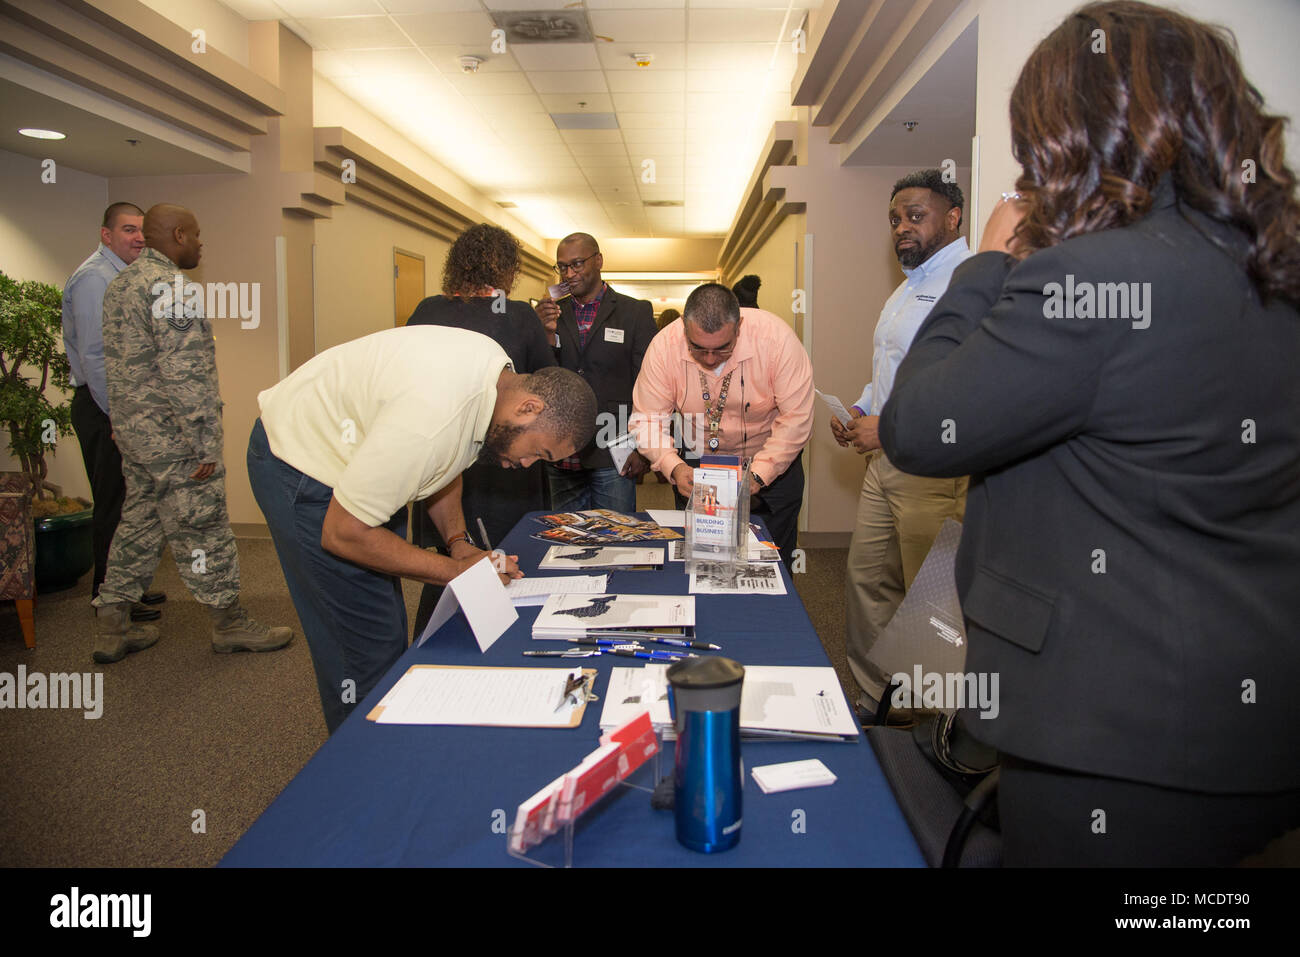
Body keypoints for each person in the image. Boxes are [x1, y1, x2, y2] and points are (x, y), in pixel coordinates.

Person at [879, 0, 1300, 866]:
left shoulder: (1092, 279)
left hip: (1113, 740)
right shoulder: (1270, 264)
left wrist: (987, 261)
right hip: (1253, 726)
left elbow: (917, 426)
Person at [248, 328, 597, 733]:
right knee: (364, 647)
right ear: (529, 408)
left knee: (389, 626)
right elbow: (344, 533)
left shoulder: (496, 377)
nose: (527, 465)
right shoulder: (432, 417)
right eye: (539, 452)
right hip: (302, 468)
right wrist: (455, 572)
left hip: (365, 460)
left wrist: (458, 544)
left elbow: (446, 460)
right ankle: (361, 771)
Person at [93, 204, 292, 663]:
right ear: (178, 234)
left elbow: (117, 366)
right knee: (203, 526)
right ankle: (230, 622)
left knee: (139, 525)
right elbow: (186, 374)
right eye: (197, 235)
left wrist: (124, 428)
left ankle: (112, 625)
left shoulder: (121, 283)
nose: (202, 244)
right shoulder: (171, 288)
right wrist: (203, 443)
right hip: (176, 441)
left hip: (136, 436)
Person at [833, 169, 971, 712]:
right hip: (884, 463)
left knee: (933, 600)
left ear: (953, 217)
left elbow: (961, 387)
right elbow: (892, 370)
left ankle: (937, 720)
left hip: (931, 466)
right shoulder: (905, 289)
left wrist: (884, 426)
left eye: (916, 216)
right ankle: (880, 695)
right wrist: (865, 407)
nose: (902, 228)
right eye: (895, 219)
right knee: (866, 578)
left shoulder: (968, 282)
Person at [405, 223, 556, 638]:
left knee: (451, 557)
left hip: (438, 457)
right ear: (508, 268)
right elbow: (545, 386)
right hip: (504, 461)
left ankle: (436, 643)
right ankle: (508, 637)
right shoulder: (519, 315)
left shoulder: (426, 310)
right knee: (510, 554)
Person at [633, 283, 814, 566]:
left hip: (771, 462)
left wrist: (759, 474)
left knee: (772, 558)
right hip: (697, 467)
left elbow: (797, 418)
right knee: (704, 560)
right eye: (698, 348)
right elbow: (646, 420)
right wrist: (673, 466)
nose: (708, 359)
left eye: (721, 349)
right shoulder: (663, 347)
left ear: (739, 326)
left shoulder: (776, 339)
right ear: (684, 328)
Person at [62, 202, 166, 622]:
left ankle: (127, 587)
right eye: (128, 230)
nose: (139, 238)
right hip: (103, 407)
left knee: (131, 502)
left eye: (142, 230)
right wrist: (120, 417)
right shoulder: (94, 280)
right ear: (106, 235)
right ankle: (111, 599)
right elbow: (96, 359)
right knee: (113, 503)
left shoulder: (121, 276)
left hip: (122, 406)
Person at [534, 233, 656, 513]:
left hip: (613, 450)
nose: (569, 273)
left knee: (616, 540)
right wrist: (546, 336)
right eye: (562, 267)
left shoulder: (634, 312)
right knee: (566, 544)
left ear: (598, 260)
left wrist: (643, 447)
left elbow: (648, 385)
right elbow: (540, 379)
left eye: (577, 264)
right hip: (561, 450)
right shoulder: (551, 314)